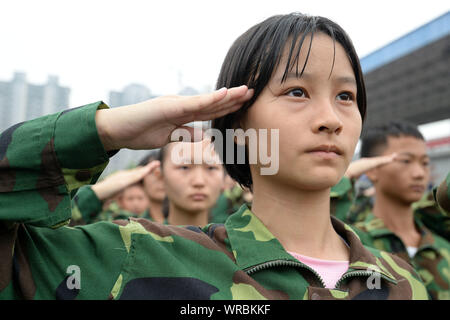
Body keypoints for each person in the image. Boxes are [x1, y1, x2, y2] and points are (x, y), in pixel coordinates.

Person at [0, 13, 431, 300]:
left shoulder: (401, 281)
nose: (330, 118)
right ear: (238, 126)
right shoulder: (143, 258)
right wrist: (105, 128)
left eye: (346, 96)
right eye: (297, 92)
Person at [348, 121, 450, 299]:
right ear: (372, 168)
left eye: (425, 163)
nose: (419, 173)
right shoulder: (353, 245)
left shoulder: (443, 247)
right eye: (406, 161)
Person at [157, 139, 225, 227]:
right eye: (184, 167)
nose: (199, 181)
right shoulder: (140, 239)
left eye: (211, 168)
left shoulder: (235, 239)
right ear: (161, 177)